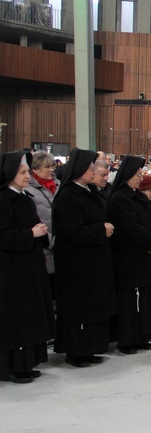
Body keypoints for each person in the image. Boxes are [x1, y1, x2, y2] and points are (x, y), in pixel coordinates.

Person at [52, 148, 117, 368]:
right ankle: (76, 351)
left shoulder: (88, 191)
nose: (93, 171)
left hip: (92, 260)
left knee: (92, 307)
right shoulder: (69, 195)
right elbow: (72, 231)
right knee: (79, 309)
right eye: (90, 168)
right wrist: (101, 229)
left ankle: (89, 348)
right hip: (77, 263)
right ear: (80, 169)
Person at [0, 151, 55, 383]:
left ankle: (28, 362)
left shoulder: (24, 197)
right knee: (17, 320)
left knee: (31, 317)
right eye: (22, 172)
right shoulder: (3, 199)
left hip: (31, 265)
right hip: (12, 270)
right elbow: (2, 235)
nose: (26, 176)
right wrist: (29, 233)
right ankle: (13, 366)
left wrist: (39, 232)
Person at [108, 156, 151, 355]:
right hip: (130, 257)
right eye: (138, 175)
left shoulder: (139, 196)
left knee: (145, 298)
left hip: (147, 254)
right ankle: (127, 340)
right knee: (131, 301)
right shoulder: (119, 198)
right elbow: (130, 227)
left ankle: (142, 336)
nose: (141, 178)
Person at [25, 151, 58, 301]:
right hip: (44, 247)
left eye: (52, 166)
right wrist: (52, 241)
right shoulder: (28, 191)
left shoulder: (58, 185)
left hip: (60, 247)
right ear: (35, 169)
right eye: (47, 167)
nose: (51, 169)